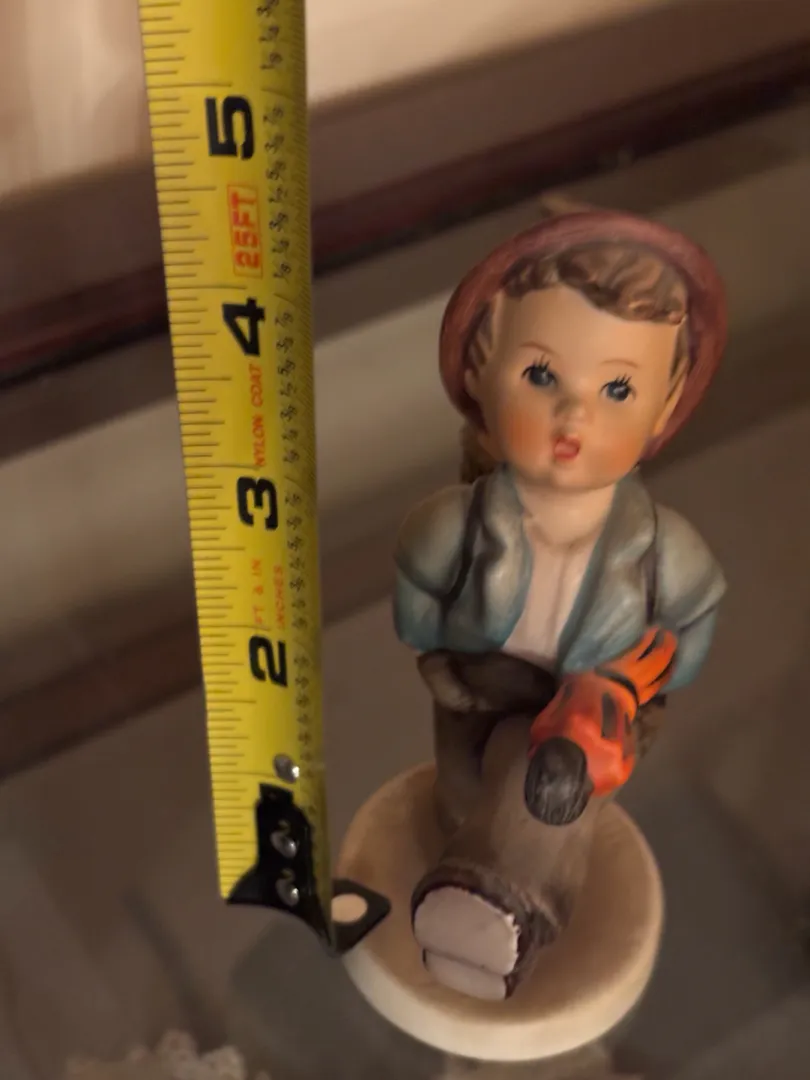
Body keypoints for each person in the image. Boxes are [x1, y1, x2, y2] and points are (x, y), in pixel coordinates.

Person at [392, 207, 727, 999]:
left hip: (588, 714)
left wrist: (643, 679)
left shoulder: (664, 550)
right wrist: (444, 658)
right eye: (542, 377)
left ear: (665, 404)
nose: (576, 417)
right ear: (481, 374)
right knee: (463, 797)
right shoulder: (452, 526)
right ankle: (472, 880)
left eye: (618, 389)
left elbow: (693, 622)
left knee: (556, 802)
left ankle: (504, 912)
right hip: (478, 695)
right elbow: (416, 604)